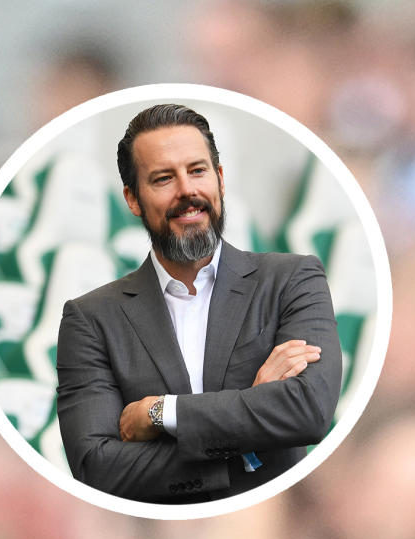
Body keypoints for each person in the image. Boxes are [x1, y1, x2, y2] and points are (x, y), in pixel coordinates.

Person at [55, 104, 341, 504]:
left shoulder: (292, 280)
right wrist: (249, 428)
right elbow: (96, 467)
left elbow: (309, 411)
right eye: (162, 179)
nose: (187, 191)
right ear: (133, 199)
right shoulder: (91, 319)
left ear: (220, 179)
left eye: (198, 171)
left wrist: (160, 414)